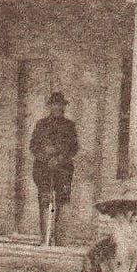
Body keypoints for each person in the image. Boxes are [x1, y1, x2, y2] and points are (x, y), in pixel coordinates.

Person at [29, 92, 79, 245]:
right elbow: (33, 146)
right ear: (49, 106)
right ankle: (45, 238)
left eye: (61, 105)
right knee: (44, 201)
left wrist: (59, 159)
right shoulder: (40, 125)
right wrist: (46, 158)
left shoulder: (69, 126)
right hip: (43, 169)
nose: (58, 108)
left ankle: (60, 239)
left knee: (63, 202)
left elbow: (74, 148)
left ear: (64, 107)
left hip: (63, 170)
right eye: (54, 105)